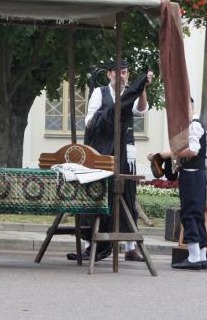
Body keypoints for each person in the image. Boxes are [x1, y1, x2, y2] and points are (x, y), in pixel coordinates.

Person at [68, 60, 153, 262]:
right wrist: (109, 115)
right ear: (109, 75)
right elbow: (89, 121)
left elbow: (141, 110)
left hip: (126, 149)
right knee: (96, 194)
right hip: (102, 150)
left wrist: (142, 88)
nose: (122, 76)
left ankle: (131, 247)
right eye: (118, 73)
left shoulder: (130, 92)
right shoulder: (100, 93)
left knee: (127, 195)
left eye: (125, 73)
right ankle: (91, 245)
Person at [150, 98, 207, 270]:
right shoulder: (190, 126)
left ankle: (193, 257)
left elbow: (192, 151)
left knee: (189, 214)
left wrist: (166, 155)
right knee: (197, 215)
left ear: (191, 107)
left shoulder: (194, 126)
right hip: (195, 175)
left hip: (192, 176)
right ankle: (202, 256)